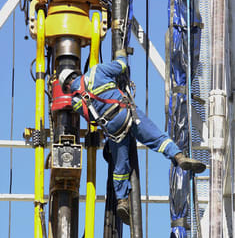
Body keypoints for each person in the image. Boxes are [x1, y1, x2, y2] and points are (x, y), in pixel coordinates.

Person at [59, 49, 206, 224]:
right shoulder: (96, 71)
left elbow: (91, 119)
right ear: (76, 74)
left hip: (112, 128)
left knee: (120, 167)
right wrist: (120, 53)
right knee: (157, 138)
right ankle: (179, 157)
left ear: (67, 87)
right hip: (126, 113)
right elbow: (122, 66)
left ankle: (121, 200)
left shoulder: (76, 101)